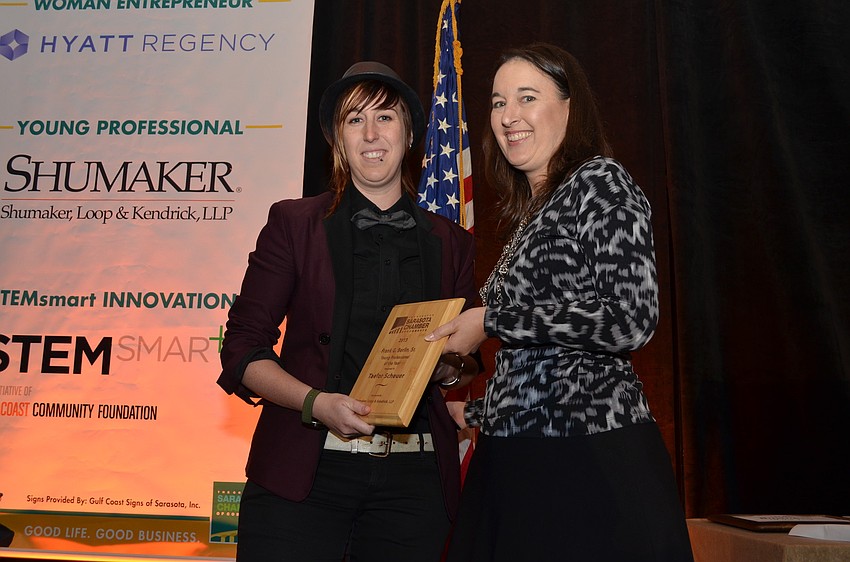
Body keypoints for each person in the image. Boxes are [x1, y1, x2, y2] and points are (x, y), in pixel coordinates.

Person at [426, 44, 694, 561]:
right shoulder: (530, 212)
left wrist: (493, 318)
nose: (509, 116)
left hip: (588, 456)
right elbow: (542, 359)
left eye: (528, 97)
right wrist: (476, 408)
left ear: (570, 108)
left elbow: (630, 320)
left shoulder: (600, 184)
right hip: (519, 456)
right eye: (499, 102)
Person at [217, 61, 478, 561]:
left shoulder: (453, 243)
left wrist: (442, 363)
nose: (371, 133)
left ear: (409, 133)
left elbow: (461, 370)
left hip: (414, 487)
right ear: (338, 139)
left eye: (386, 117)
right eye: (355, 120)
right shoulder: (294, 224)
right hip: (302, 478)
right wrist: (316, 402)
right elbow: (243, 348)